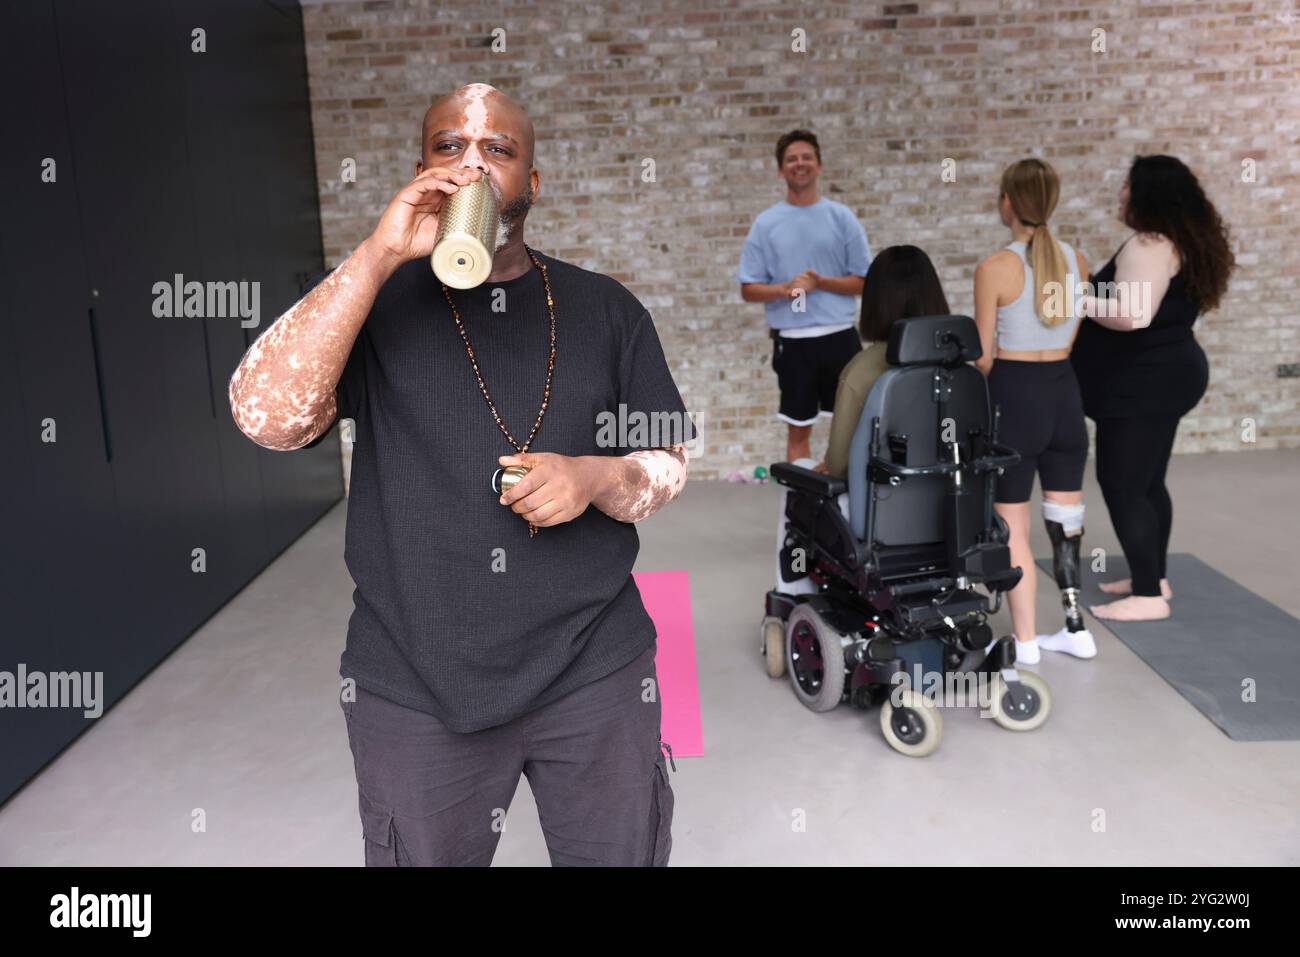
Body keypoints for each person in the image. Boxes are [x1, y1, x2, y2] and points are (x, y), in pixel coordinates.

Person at [228, 84, 694, 866]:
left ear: (533, 184)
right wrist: (377, 254)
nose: (471, 165)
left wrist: (589, 477)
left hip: (596, 666)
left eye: (499, 150)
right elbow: (265, 417)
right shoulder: (375, 305)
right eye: (449, 148)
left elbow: (669, 460)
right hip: (413, 675)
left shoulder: (606, 308)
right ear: (420, 170)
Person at [1071, 155, 1234, 622]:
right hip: (1167, 375)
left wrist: (1078, 296)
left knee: (1121, 484)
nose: (1120, 195)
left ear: (1147, 196)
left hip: (1145, 384)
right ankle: (1153, 576)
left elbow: (1132, 315)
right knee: (1147, 482)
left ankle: (1147, 597)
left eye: (1126, 187)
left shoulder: (1150, 243)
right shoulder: (1179, 241)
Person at [974, 158, 1094, 665]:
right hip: (1066, 397)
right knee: (1066, 520)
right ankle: (1074, 628)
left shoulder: (994, 268)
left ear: (1007, 203)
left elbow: (981, 357)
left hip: (1015, 399)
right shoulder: (1078, 260)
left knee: (1014, 528)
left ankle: (1025, 645)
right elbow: (1071, 335)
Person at [775, 246, 949, 595]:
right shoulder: (957, 365)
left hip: (881, 519)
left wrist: (828, 466)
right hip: (950, 512)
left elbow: (839, 466)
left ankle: (794, 596)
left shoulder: (862, 370)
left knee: (798, 482)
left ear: (875, 302)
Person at [738, 129, 873, 463]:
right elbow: (748, 288)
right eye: (792, 159)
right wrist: (786, 290)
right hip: (793, 344)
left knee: (852, 427)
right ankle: (800, 511)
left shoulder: (842, 217)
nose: (800, 164)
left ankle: (844, 507)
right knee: (798, 430)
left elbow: (865, 281)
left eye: (806, 157)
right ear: (781, 170)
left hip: (840, 338)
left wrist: (821, 282)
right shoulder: (766, 223)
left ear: (819, 166)